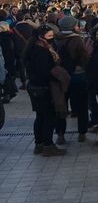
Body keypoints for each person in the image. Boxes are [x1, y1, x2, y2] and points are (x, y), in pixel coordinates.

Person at [24, 25, 66, 156]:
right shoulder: (41, 51)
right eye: (49, 37)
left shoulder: (32, 47)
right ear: (41, 37)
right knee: (49, 117)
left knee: (40, 116)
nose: (52, 39)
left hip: (34, 87)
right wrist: (56, 75)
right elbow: (43, 72)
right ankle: (48, 145)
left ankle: (39, 144)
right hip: (43, 88)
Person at [55, 16, 90, 143]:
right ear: (72, 26)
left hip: (60, 77)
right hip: (77, 76)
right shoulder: (77, 39)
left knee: (61, 105)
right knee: (81, 106)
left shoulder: (55, 38)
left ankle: (60, 134)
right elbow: (84, 57)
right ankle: (82, 132)